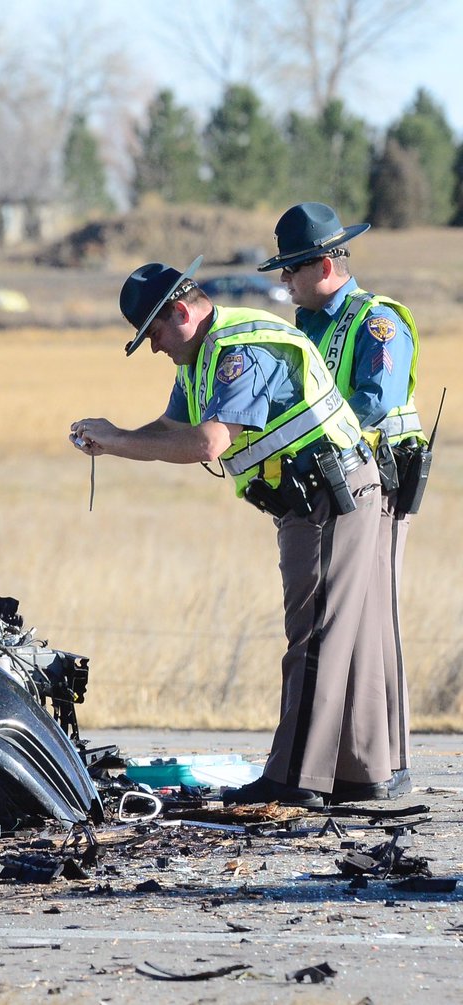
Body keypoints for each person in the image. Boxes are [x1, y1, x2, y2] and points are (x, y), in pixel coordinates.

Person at [71, 256, 390, 809]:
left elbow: (206, 444)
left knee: (313, 635)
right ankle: (362, 775)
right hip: (318, 495)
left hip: (325, 495)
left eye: (153, 333)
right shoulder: (202, 353)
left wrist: (118, 441)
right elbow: (173, 428)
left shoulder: (237, 349)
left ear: (179, 311)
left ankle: (296, 779)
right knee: (341, 635)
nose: (153, 347)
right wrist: (118, 434)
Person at [258, 202, 426, 801]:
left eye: (292, 269)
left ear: (324, 264)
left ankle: (367, 768)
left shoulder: (376, 322)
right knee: (352, 627)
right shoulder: (307, 325)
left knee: (369, 624)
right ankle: (367, 771)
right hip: (336, 488)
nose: (284, 281)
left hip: (374, 488)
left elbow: (372, 403)